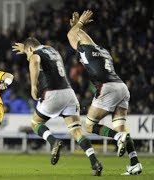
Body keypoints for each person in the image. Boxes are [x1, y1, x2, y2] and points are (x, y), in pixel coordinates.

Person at [12, 37, 103, 176]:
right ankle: (95, 162)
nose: (27, 57)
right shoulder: (51, 49)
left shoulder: (35, 54)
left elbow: (35, 59)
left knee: (35, 123)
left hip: (52, 94)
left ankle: (53, 142)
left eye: (26, 54)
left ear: (30, 49)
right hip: (69, 93)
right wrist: (25, 49)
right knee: (76, 131)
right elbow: (35, 49)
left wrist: (33, 86)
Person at [67, 10, 142, 175]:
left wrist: (79, 25)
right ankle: (135, 162)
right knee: (120, 127)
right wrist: (76, 27)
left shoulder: (84, 49)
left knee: (89, 125)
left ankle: (117, 138)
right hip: (122, 87)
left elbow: (71, 36)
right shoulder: (103, 52)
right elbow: (80, 37)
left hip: (107, 88)